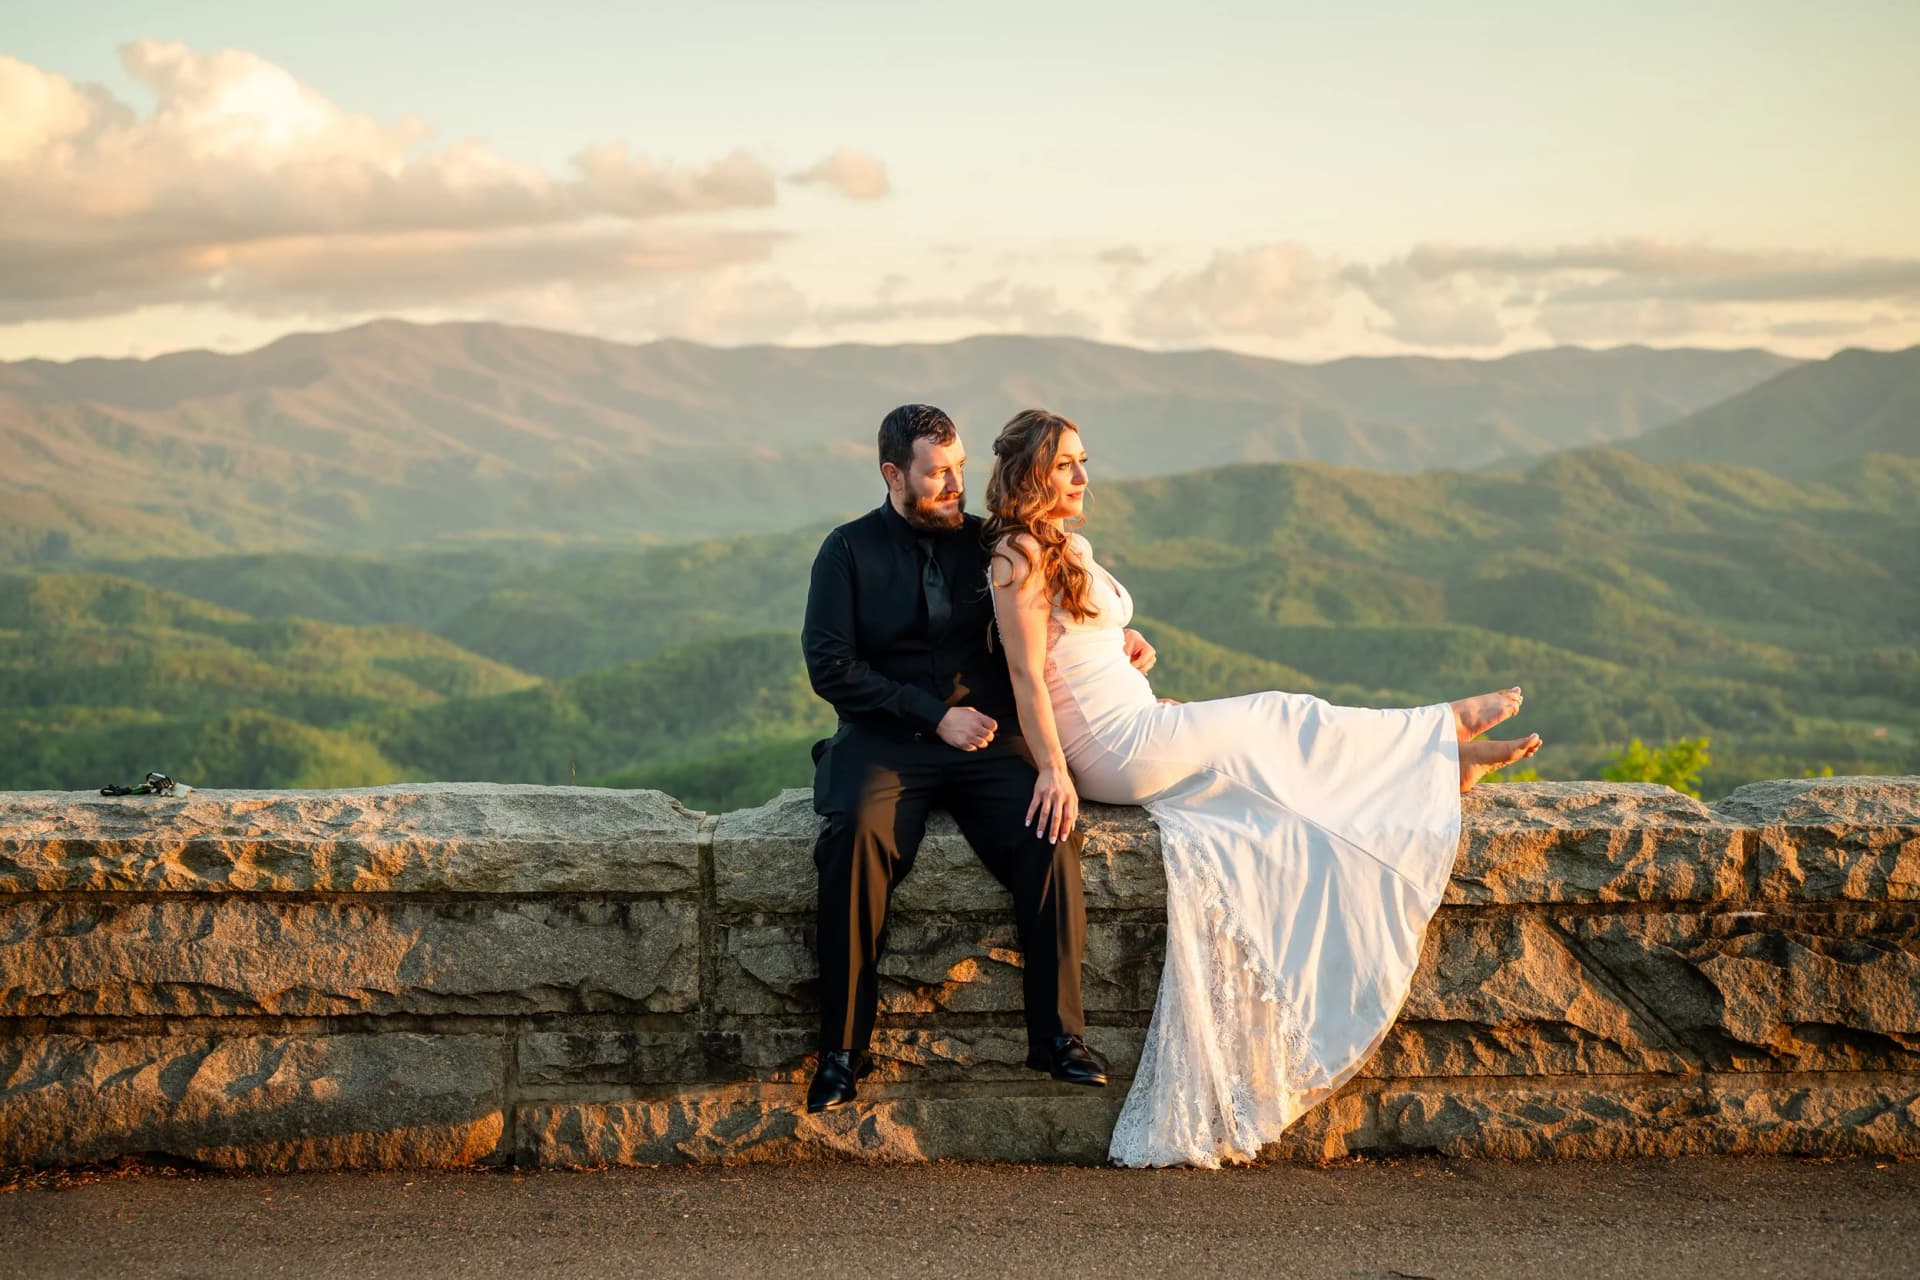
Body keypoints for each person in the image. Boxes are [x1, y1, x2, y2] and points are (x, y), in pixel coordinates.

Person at [982, 407, 1542, 1167]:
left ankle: (1445, 763)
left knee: (1276, 780)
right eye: (1067, 465)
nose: (1084, 476)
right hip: (1114, 749)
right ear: (1031, 474)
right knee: (1285, 716)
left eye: (1084, 461)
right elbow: (1025, 675)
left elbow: (1075, 649)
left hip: (1139, 719)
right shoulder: (1015, 557)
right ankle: (1441, 728)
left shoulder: (1064, 546)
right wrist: (1051, 766)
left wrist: (1123, 645)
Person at [799, 403, 1108, 1114]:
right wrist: (931, 713)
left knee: (1051, 830)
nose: (954, 485)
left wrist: (1119, 641)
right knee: (853, 841)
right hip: (885, 743)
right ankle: (843, 1051)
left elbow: (1053, 617)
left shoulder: (992, 545)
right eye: (937, 473)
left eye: (960, 470)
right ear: (892, 474)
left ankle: (1058, 1038)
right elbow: (830, 667)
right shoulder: (845, 551)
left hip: (987, 744)